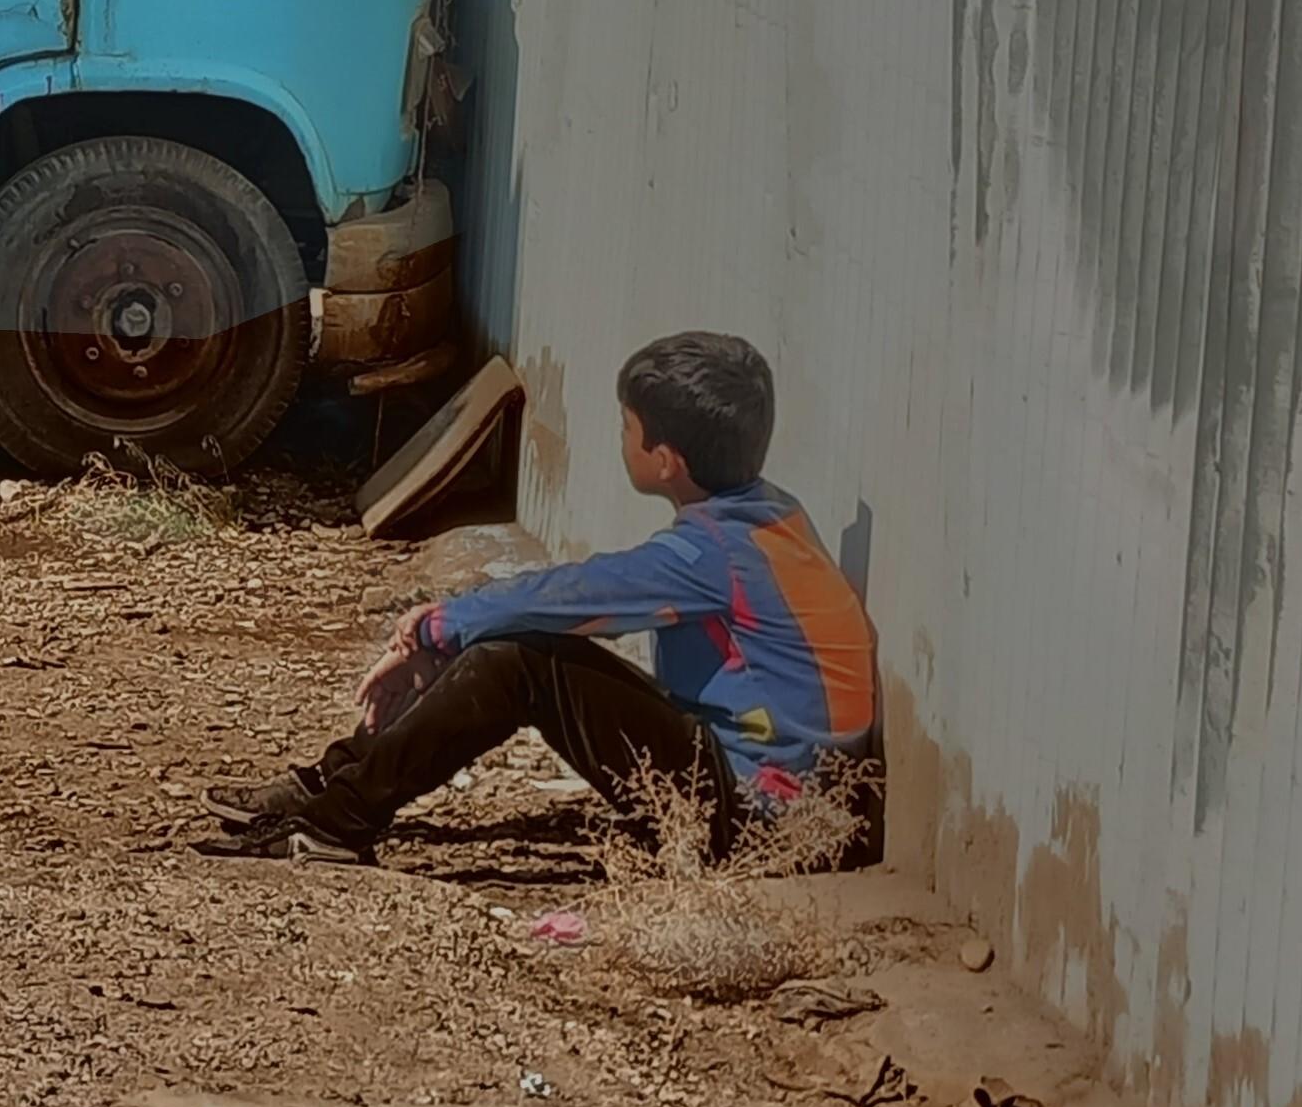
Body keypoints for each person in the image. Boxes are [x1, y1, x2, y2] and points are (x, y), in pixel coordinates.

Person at [199, 332, 878, 865]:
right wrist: (451, 635)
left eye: (626, 426)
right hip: (781, 803)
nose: (621, 438)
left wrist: (437, 627)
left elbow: (576, 594)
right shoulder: (768, 515)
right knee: (513, 642)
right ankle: (332, 786)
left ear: (664, 459)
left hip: (763, 826)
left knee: (517, 660)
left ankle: (333, 823)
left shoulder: (710, 556)